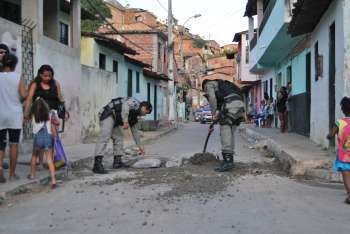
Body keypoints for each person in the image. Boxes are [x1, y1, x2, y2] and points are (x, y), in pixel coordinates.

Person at [92, 97, 153, 174]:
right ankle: (97, 165)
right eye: (146, 112)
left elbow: (135, 132)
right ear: (144, 107)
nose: (145, 115)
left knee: (119, 137)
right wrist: (125, 121)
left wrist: (140, 146)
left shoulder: (135, 116)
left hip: (115, 120)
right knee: (104, 136)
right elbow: (125, 106)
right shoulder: (135, 103)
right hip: (108, 114)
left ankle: (117, 162)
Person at [24, 65, 67, 169]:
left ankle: (50, 162)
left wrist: (64, 111)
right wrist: (27, 113)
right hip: (39, 115)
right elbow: (29, 99)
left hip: (53, 115)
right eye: (45, 76)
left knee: (52, 138)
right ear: (40, 75)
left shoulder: (55, 84)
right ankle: (41, 162)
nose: (47, 78)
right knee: (40, 139)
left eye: (49, 76)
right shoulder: (35, 84)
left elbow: (60, 98)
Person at [202, 79, 245, 172]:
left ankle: (228, 162)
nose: (206, 92)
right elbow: (238, 94)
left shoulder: (209, 84)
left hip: (230, 105)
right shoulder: (225, 85)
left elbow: (212, 98)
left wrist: (213, 114)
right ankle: (230, 160)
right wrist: (219, 112)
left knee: (225, 131)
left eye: (205, 91)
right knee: (231, 133)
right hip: (240, 106)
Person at [0, 54, 26, 182]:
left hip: (0, 114)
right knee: (13, 144)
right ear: (14, 65)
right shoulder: (17, 77)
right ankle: (12, 174)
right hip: (14, 115)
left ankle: (0, 170)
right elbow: (23, 95)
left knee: (0, 145)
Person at [28, 98, 58, 188]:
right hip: (48, 138)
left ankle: (32, 175)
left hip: (38, 139)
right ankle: (53, 181)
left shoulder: (33, 116)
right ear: (45, 107)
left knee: (34, 157)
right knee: (49, 160)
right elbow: (56, 120)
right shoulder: (49, 114)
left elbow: (28, 119)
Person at [327, 97, 350, 204]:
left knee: (346, 177)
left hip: (344, 156)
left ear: (344, 109)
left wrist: (329, 136)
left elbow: (330, 135)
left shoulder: (339, 122)